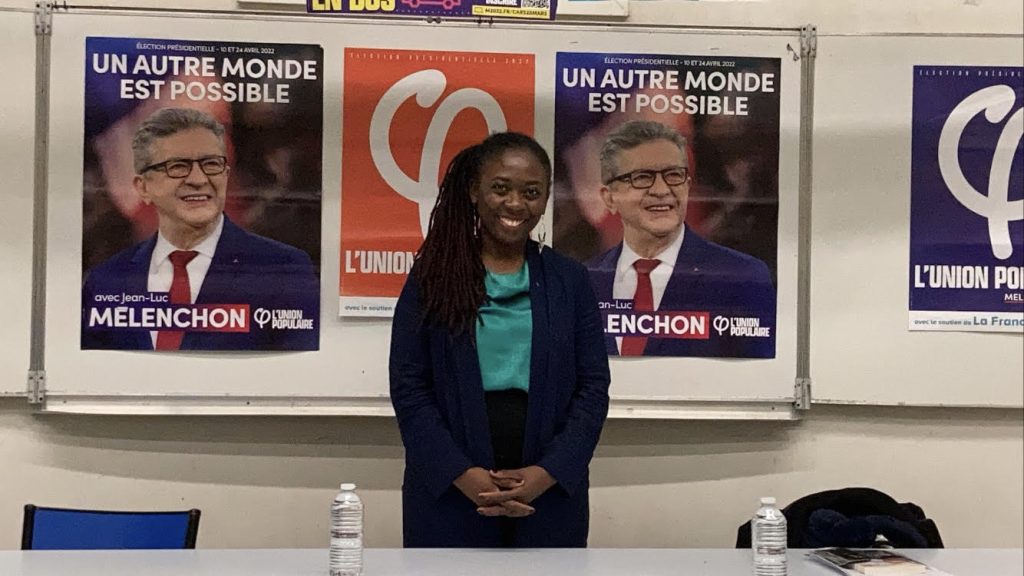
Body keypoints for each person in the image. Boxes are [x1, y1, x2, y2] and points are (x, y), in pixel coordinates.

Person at [389, 132, 611, 548]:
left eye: (531, 192)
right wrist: (462, 474)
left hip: (548, 493)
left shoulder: (570, 280)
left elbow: (593, 389)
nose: (515, 204)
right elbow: (409, 388)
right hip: (449, 492)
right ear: (474, 191)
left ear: (546, 198)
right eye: (500, 188)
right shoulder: (431, 278)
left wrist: (547, 474)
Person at [81, 107, 319, 351]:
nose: (198, 179)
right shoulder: (106, 282)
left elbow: (300, 378)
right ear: (143, 187)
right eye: (177, 166)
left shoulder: (283, 272)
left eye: (211, 164)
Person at [588, 120, 776, 358]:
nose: (661, 190)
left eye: (673, 175)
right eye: (642, 177)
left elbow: (762, 382)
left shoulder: (742, 278)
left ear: (687, 186)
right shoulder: (582, 283)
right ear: (610, 197)